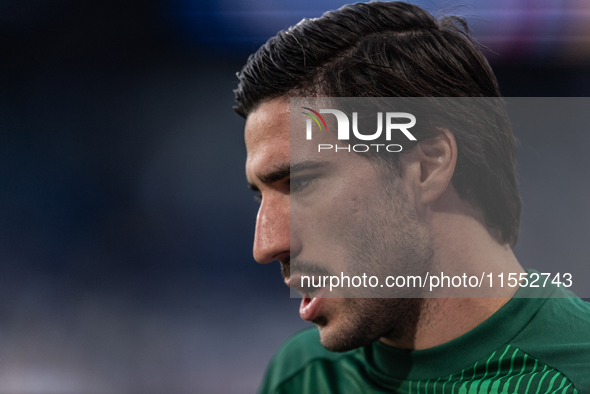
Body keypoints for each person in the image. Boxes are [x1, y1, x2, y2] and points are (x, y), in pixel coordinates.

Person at [234, 2, 590, 393]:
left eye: (299, 184)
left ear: (427, 167)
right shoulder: (304, 374)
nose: (266, 246)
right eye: (260, 196)